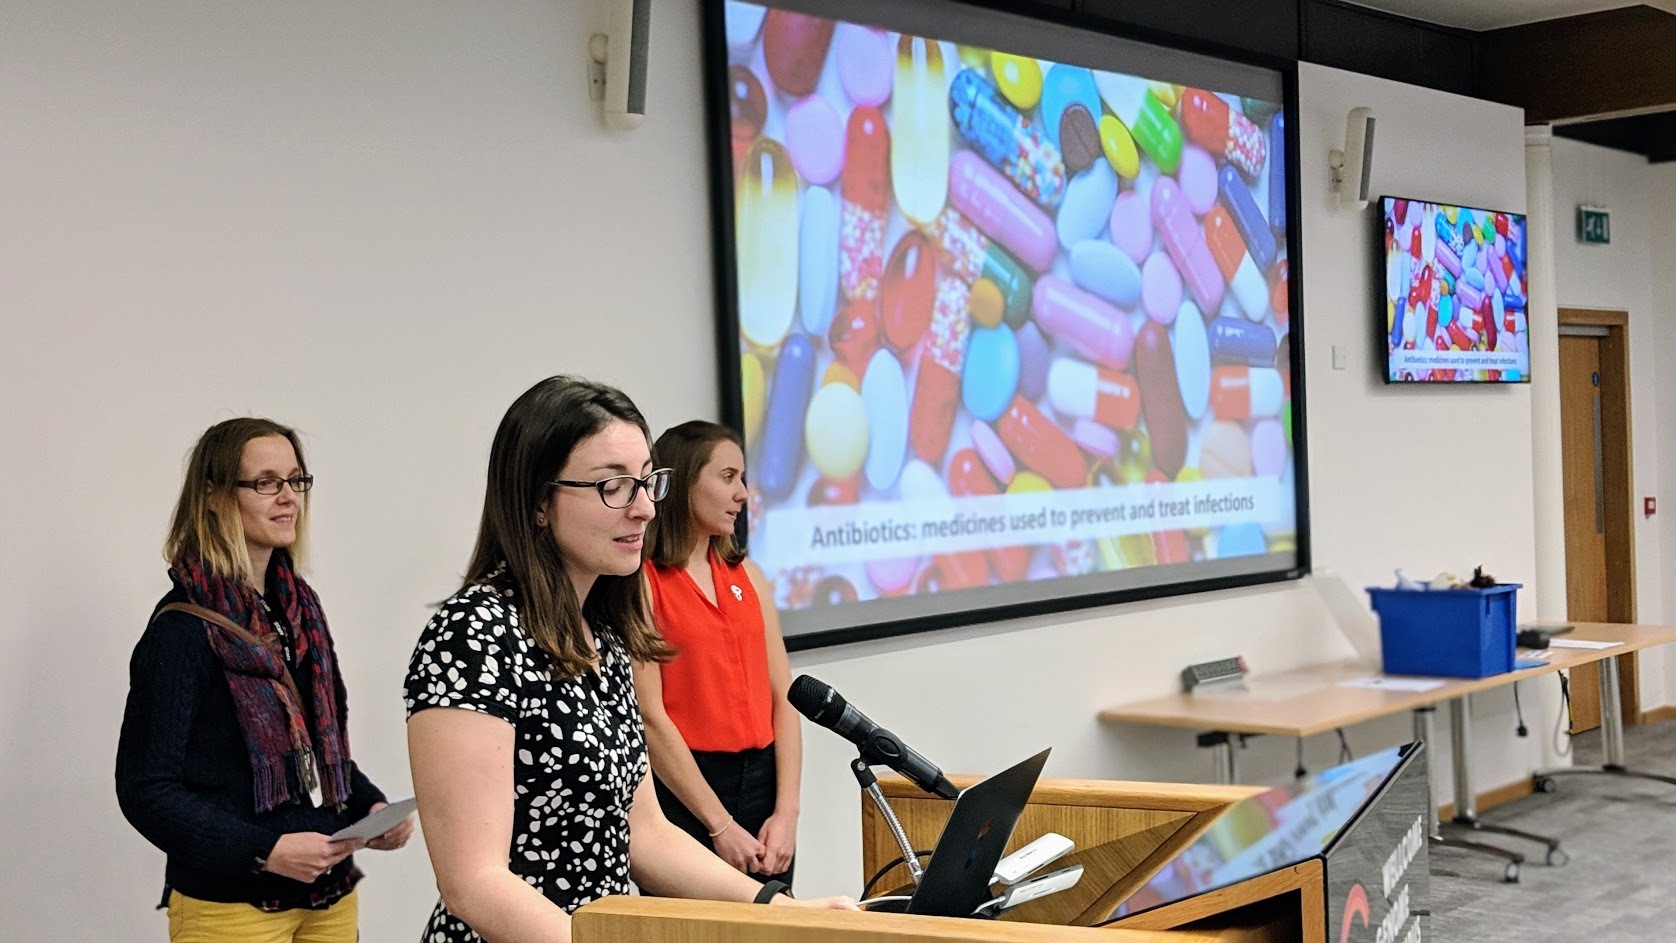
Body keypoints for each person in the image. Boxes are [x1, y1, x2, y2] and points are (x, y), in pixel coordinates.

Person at [403, 376, 855, 942]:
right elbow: (474, 883)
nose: (644, 509)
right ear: (539, 502)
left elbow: (645, 833)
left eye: (646, 482)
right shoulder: (472, 636)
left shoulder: (604, 637)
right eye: (613, 486)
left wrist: (779, 907)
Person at [116, 417, 413, 943]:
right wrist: (264, 850)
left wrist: (370, 807)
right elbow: (146, 790)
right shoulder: (182, 631)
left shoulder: (300, 611)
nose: (289, 498)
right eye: (265, 482)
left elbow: (322, 757)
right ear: (212, 495)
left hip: (328, 896)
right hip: (233, 909)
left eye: (296, 480)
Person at [635, 420, 800, 885]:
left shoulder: (748, 573)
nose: (743, 493)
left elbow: (783, 697)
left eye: (742, 478)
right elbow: (650, 718)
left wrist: (786, 813)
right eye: (728, 477)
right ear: (685, 482)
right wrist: (719, 825)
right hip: (686, 793)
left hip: (764, 783)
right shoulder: (642, 583)